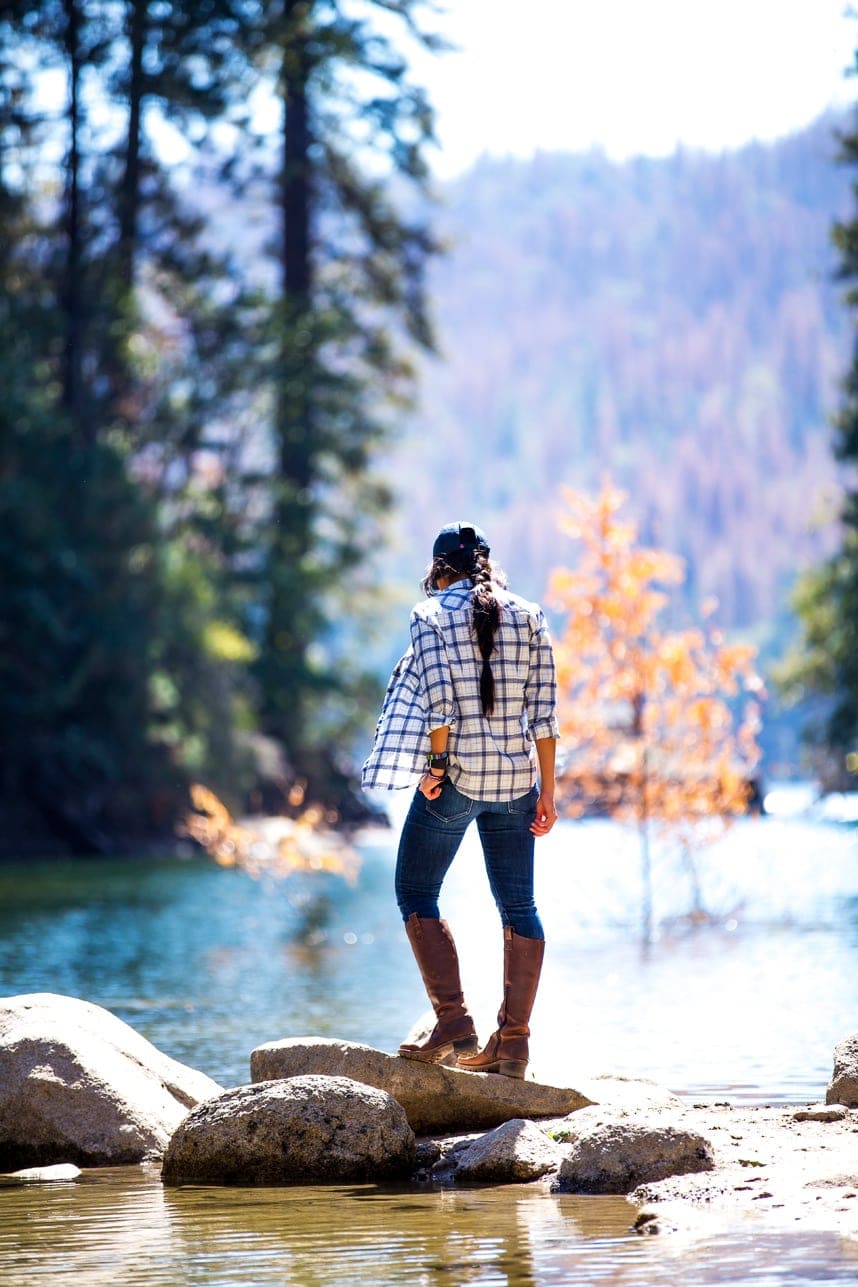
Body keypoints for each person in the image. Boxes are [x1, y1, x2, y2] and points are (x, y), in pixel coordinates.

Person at [362, 521, 559, 1079]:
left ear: (438, 570)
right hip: (519, 784)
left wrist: (436, 767)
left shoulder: (429, 617)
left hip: (459, 780)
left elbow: (440, 706)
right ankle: (513, 1043)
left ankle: (453, 1022)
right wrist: (550, 791)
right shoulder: (531, 614)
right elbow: (545, 713)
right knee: (520, 907)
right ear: (487, 566)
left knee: (416, 889)